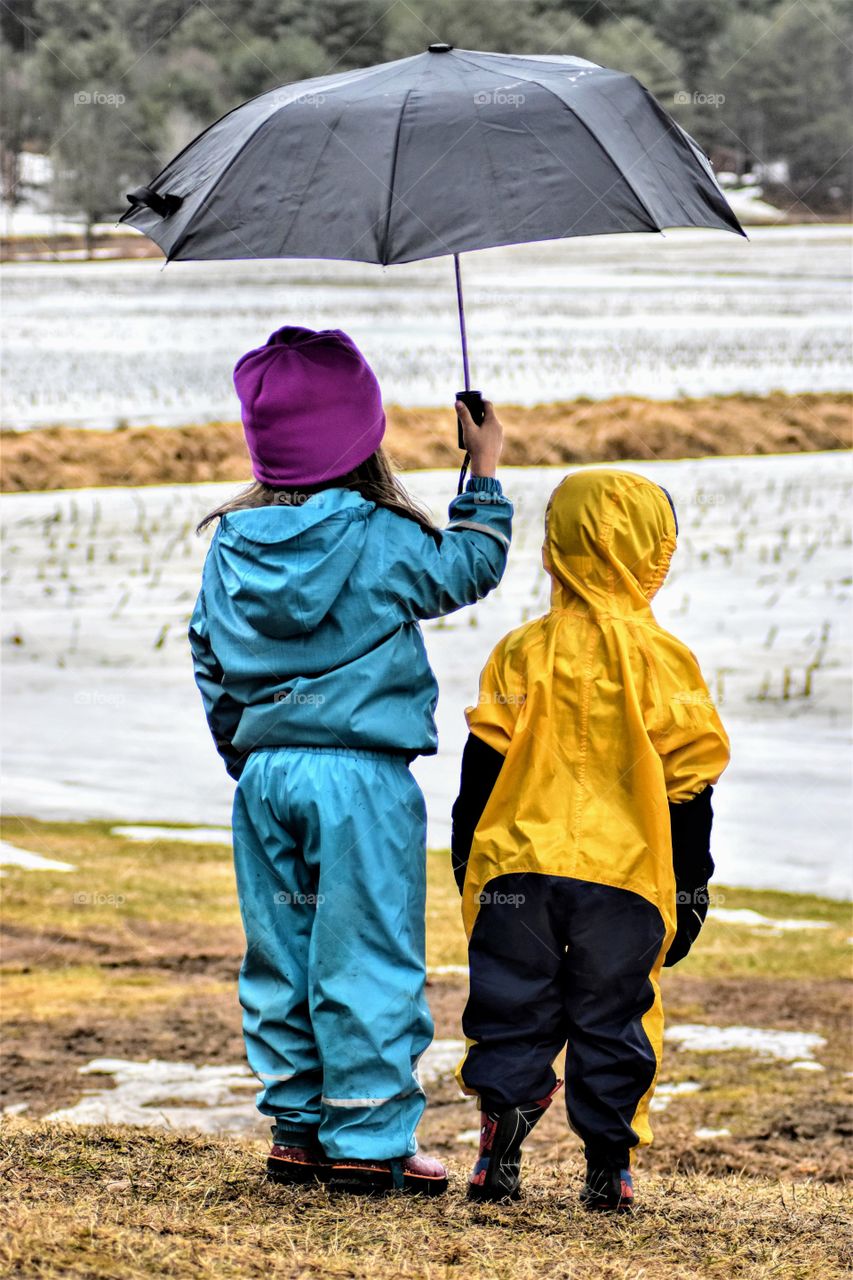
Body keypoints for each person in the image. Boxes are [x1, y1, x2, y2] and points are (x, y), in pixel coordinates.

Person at [189, 325, 511, 1196]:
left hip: (266, 779)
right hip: (361, 780)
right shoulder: (378, 535)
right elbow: (472, 566)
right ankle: (368, 1139)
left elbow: (208, 660)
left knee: (281, 952)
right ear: (363, 439)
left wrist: (248, 756)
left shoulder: (230, 544)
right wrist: (480, 468)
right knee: (364, 951)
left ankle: (296, 1127)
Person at [451, 468, 729, 1211]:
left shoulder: (520, 651)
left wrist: (463, 863)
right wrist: (691, 889)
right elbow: (688, 785)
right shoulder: (666, 660)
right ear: (652, 553)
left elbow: (480, 768)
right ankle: (609, 1164)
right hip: (626, 877)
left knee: (511, 1005)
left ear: (554, 546)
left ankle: (497, 1145)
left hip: (517, 869)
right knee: (617, 1017)